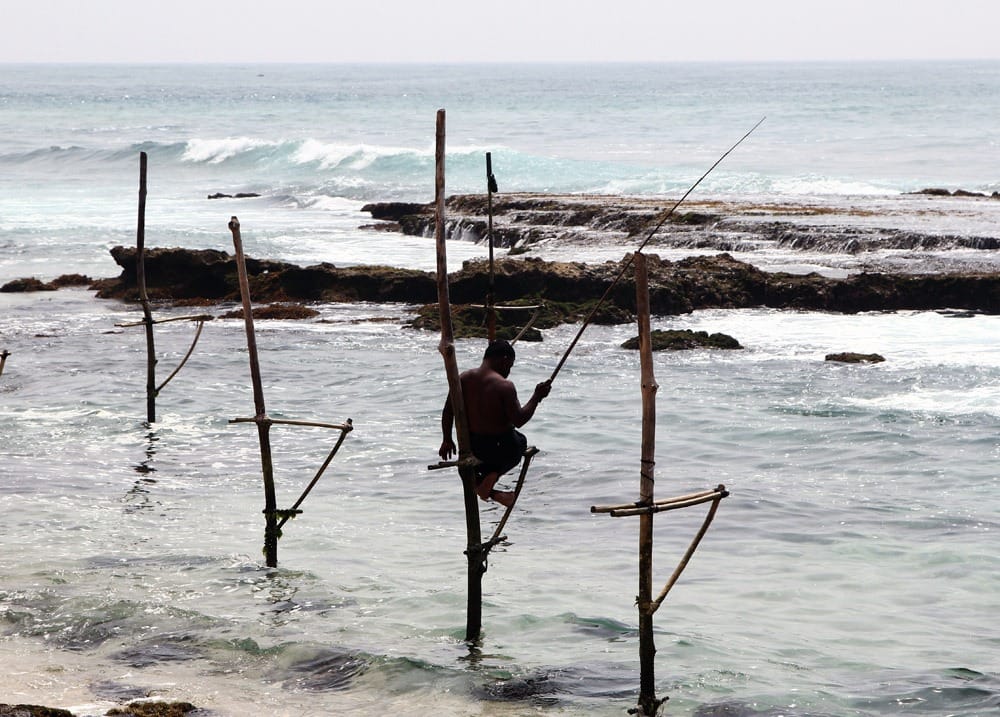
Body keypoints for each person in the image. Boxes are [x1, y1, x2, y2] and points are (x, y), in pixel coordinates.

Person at [439, 339, 551, 508]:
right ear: (504, 360)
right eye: (510, 366)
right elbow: (519, 420)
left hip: (474, 446)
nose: (509, 371)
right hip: (501, 449)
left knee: (468, 473)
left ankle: (494, 493)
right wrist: (536, 397)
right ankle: (494, 474)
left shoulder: (463, 378)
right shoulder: (504, 385)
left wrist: (447, 439)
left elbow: (448, 411)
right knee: (520, 441)